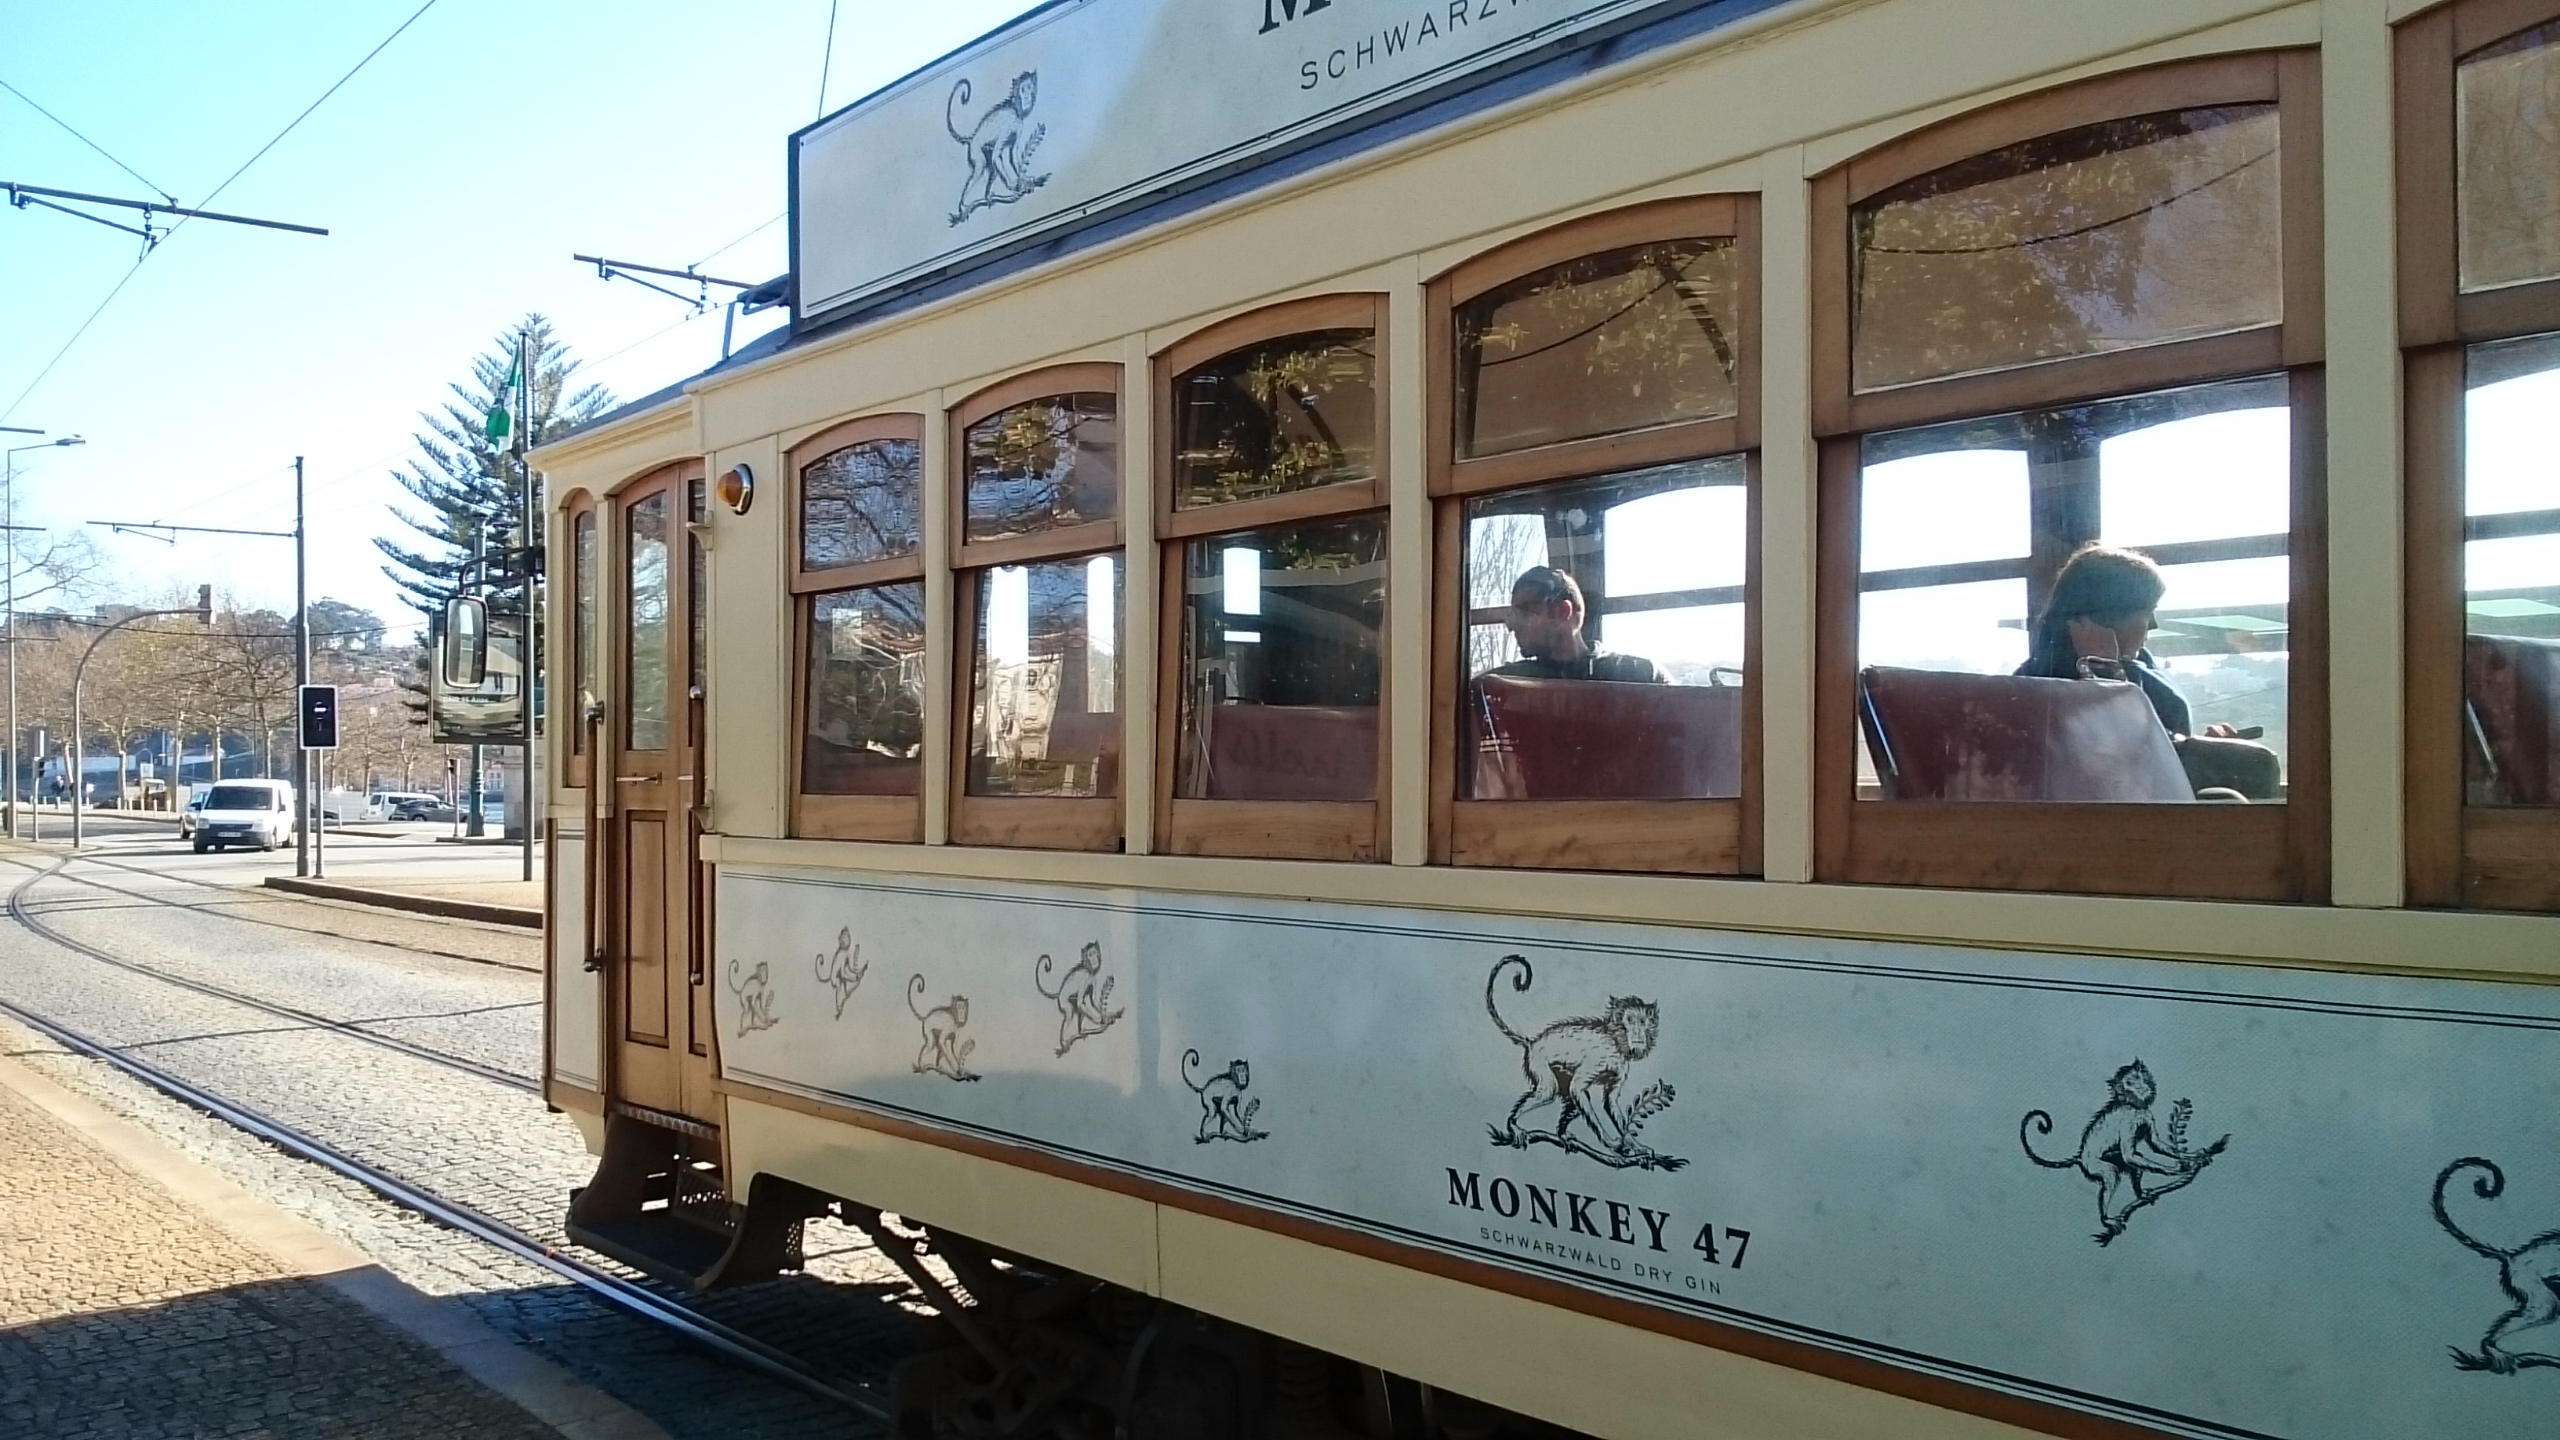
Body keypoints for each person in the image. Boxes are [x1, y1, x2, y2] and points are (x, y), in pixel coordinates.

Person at [2018, 544, 2281, 800]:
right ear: (2107, 616)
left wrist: (2201, 747)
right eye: (2146, 612)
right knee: (2256, 764)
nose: (2153, 625)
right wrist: (2102, 671)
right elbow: (2118, 763)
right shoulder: (2043, 686)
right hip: (2122, 818)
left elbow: (2158, 747)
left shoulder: (2140, 667)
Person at [1491, 566, 1664, 683]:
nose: (1510, 625)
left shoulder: (1641, 675)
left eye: (1523, 613)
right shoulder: (1501, 683)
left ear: (1562, 611)